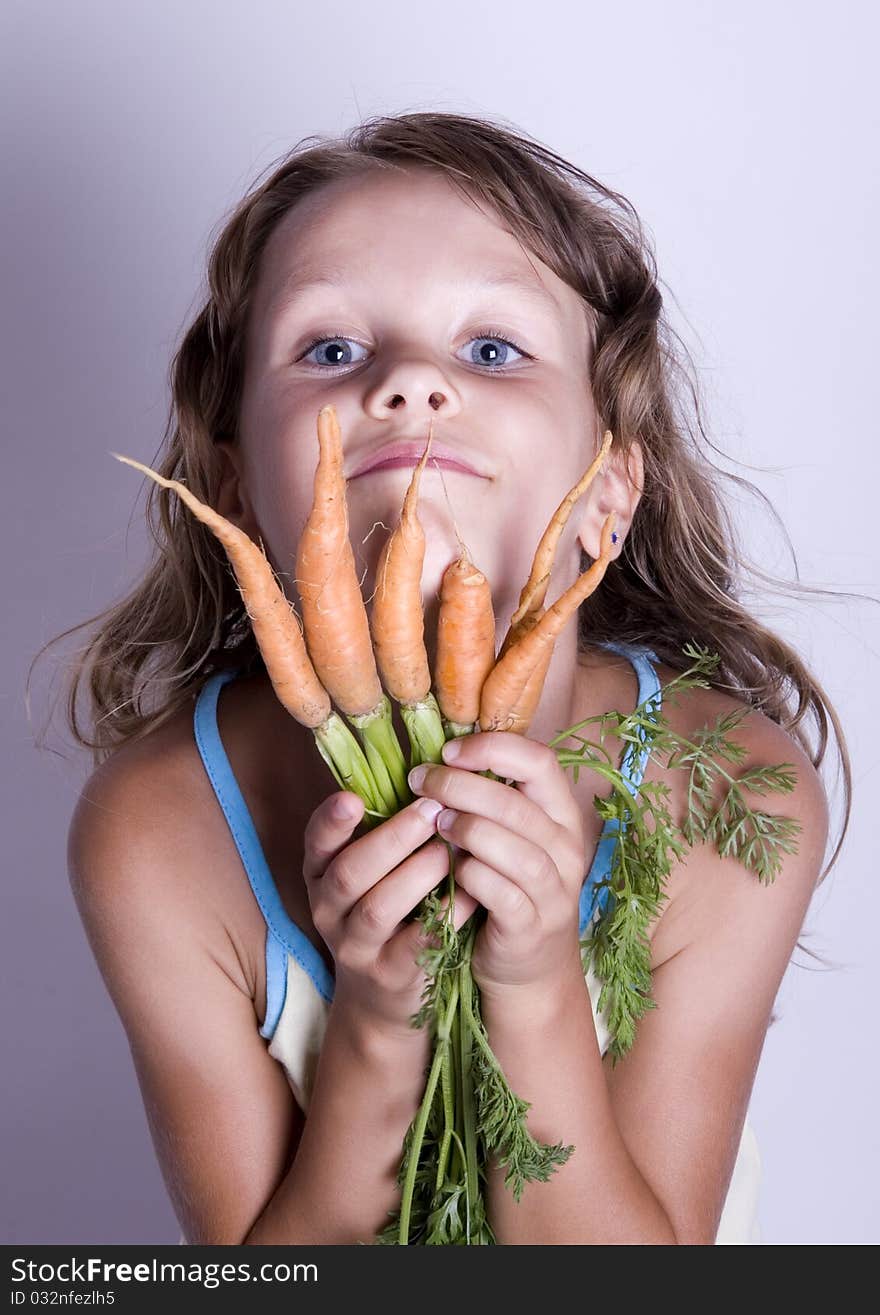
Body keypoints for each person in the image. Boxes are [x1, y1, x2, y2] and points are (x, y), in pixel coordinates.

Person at [53, 112, 848, 1246]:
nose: (413, 384)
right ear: (231, 487)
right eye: (330, 349)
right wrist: (380, 1019)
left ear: (611, 491)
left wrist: (529, 991)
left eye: (491, 349)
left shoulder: (729, 793)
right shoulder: (160, 826)